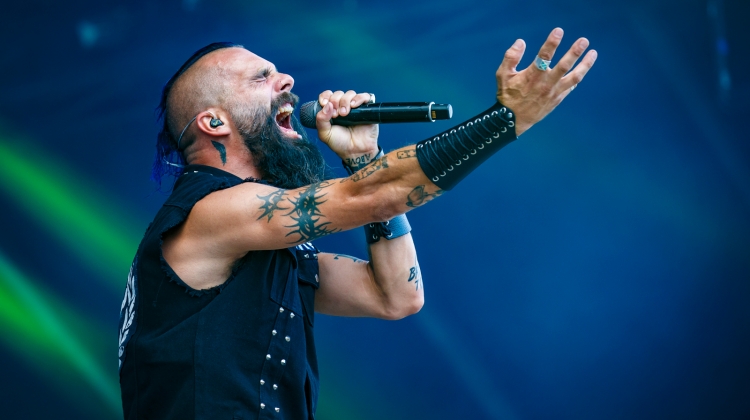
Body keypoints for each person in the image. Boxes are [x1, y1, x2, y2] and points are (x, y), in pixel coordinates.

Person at [118, 28, 596, 419]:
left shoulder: (259, 246)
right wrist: (504, 120)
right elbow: (373, 195)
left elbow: (395, 296)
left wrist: (365, 156)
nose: (286, 80)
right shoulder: (211, 214)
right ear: (214, 123)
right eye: (260, 78)